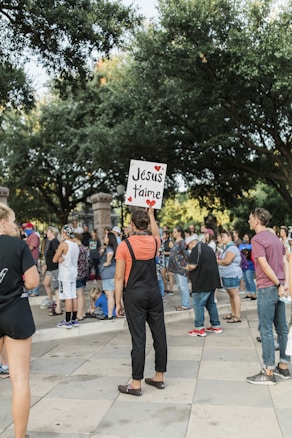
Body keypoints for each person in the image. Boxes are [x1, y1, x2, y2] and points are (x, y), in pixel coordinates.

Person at [115, 208, 167, 396]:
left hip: (134, 295)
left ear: (132, 224)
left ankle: (136, 383)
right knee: (159, 334)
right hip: (153, 293)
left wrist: (117, 302)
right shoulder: (154, 242)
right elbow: (156, 233)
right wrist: (152, 215)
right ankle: (159, 376)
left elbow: (119, 278)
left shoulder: (124, 245)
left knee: (138, 338)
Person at [0, 202, 39, 438]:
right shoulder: (18, 246)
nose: (16, 226)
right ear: (3, 221)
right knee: (20, 379)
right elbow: (33, 281)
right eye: (13, 221)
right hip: (16, 313)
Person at [246, 208, 290, 385]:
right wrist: (285, 284)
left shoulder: (258, 239)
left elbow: (263, 265)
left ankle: (269, 371)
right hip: (279, 287)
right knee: (282, 328)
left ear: (257, 220)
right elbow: (285, 261)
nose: (248, 221)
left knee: (265, 330)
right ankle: (283, 367)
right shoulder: (275, 238)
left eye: (250, 218)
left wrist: (279, 284)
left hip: (268, 287)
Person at [186, 234, 222, 337]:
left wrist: (187, 267)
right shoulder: (208, 248)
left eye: (188, 246)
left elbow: (193, 265)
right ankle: (216, 326)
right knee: (211, 304)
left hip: (201, 282)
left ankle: (199, 328)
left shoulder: (196, 250)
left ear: (191, 243)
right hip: (212, 281)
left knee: (198, 304)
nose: (189, 248)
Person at [53, 224, 80, 329]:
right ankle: (74, 319)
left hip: (65, 273)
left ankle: (67, 321)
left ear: (64, 233)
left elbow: (54, 259)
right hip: (73, 272)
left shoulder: (64, 244)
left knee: (68, 297)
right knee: (73, 295)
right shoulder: (75, 244)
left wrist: (59, 256)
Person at [217, 230, 242, 323]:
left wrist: (217, 261)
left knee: (235, 295)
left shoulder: (231, 248)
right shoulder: (228, 248)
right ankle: (233, 313)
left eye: (223, 236)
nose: (222, 238)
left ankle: (237, 316)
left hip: (232, 275)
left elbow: (227, 261)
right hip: (228, 275)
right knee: (231, 295)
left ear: (229, 237)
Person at [168, 226, 190, 311]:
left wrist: (185, 264)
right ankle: (183, 303)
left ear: (179, 232)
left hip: (181, 267)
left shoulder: (182, 242)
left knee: (183, 286)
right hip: (175, 267)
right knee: (180, 287)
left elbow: (186, 254)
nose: (173, 234)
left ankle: (186, 304)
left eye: (175, 232)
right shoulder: (175, 242)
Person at [99, 231, 117, 320]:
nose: (104, 239)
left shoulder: (109, 248)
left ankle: (110, 314)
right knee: (115, 295)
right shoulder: (113, 247)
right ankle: (117, 311)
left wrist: (107, 262)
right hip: (112, 273)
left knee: (109, 295)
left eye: (105, 237)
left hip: (108, 274)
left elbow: (110, 254)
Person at [41, 226, 60, 309]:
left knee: (55, 286)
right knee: (46, 283)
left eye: (48, 232)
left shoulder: (54, 241)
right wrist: (45, 265)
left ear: (52, 233)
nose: (46, 233)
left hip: (54, 267)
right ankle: (50, 299)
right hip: (49, 267)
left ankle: (57, 303)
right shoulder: (50, 242)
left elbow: (58, 252)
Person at [74, 233, 89, 321]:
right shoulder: (85, 248)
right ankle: (82, 313)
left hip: (78, 273)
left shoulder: (77, 249)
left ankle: (79, 314)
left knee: (78, 295)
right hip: (84, 273)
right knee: (82, 294)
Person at [23, 222, 40, 296]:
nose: (25, 230)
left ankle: (35, 291)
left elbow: (32, 246)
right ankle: (31, 291)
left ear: (30, 228)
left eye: (26, 228)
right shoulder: (30, 236)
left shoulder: (33, 236)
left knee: (33, 274)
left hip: (33, 257)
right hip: (30, 258)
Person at [239, 234, 257, 300]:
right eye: (244, 237)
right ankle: (248, 293)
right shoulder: (241, 246)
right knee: (245, 280)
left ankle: (253, 293)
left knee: (250, 280)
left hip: (250, 265)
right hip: (243, 265)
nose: (245, 238)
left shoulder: (251, 246)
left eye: (247, 237)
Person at [161, 230, 174, 295]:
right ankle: (166, 288)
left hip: (168, 258)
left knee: (170, 275)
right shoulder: (162, 242)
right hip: (163, 259)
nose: (163, 236)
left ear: (167, 235)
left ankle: (171, 289)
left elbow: (173, 251)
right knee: (162, 274)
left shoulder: (170, 242)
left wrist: (166, 252)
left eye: (164, 234)